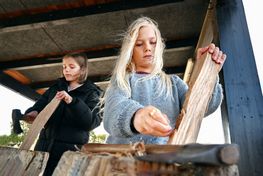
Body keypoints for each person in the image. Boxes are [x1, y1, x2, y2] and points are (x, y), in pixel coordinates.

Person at [102, 17, 226, 145]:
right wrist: (137, 117)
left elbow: (202, 107)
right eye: (139, 44)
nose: (147, 48)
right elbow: (113, 112)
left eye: (153, 42)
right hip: (124, 160)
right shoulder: (122, 80)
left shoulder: (174, 83)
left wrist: (206, 72)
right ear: (130, 50)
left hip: (165, 159)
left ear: (159, 46)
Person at [21, 53, 102, 175]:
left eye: (71, 66)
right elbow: (39, 106)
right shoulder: (55, 88)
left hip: (70, 154)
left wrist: (72, 101)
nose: (66, 70)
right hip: (43, 149)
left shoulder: (93, 94)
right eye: (64, 66)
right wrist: (33, 113)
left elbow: (89, 123)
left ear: (82, 69)